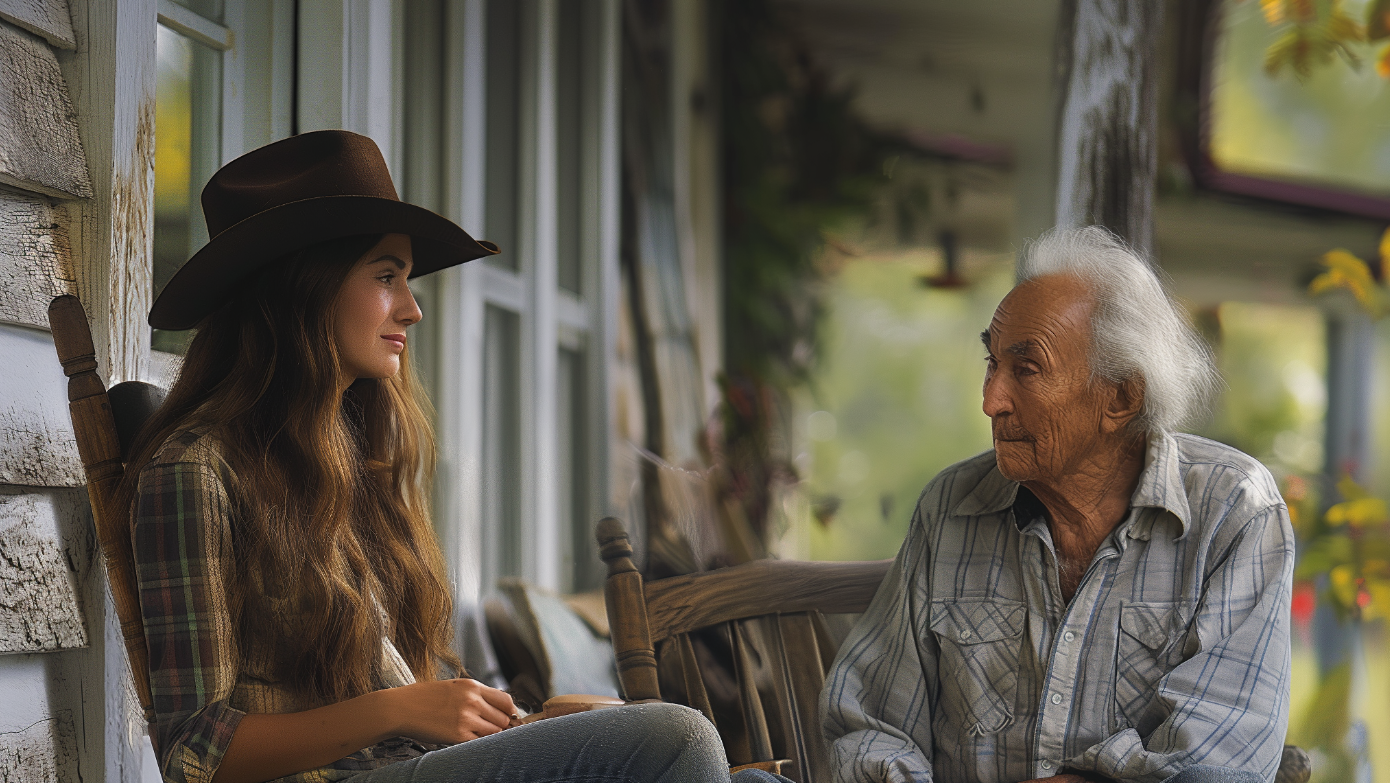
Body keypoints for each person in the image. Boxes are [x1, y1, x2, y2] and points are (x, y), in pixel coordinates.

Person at [120, 130, 738, 783]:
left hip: (401, 767)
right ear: (302, 285)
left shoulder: (340, 465)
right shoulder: (195, 468)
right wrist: (398, 708)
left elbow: (402, 713)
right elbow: (195, 752)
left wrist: (527, 721)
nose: (411, 309)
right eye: (386, 276)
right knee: (677, 738)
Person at [821, 227, 1294, 783]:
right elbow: (871, 723)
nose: (990, 400)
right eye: (991, 363)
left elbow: (1212, 761)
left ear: (1120, 397)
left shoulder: (1235, 514)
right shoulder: (950, 509)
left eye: (1025, 369)